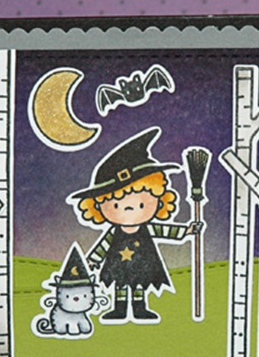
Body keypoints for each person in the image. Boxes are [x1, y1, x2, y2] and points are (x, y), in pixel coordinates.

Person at [69, 127, 201, 323]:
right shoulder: (114, 233)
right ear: (98, 206)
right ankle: (119, 309)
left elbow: (164, 230)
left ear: (160, 199)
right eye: (116, 205)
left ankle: (140, 309)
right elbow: (103, 246)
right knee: (120, 285)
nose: (129, 209)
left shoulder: (147, 228)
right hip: (118, 264)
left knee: (140, 284)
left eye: (141, 204)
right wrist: (92, 261)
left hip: (142, 262)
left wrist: (187, 230)